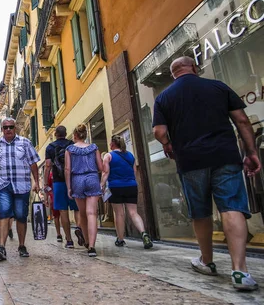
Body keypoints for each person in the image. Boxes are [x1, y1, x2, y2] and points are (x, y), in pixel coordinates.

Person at [153, 56, 260, 291]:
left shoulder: (164, 98)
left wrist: (169, 144)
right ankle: (240, 271)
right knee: (231, 207)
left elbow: (159, 131)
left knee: (200, 212)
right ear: (195, 67)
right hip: (225, 156)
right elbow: (242, 120)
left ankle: (207, 261)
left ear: (173, 74)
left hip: (190, 160)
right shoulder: (218, 87)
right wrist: (251, 152)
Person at [0, 118, 40, 260]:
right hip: (3, 185)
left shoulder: (25, 142)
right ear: (2, 129)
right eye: (5, 127)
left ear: (15, 128)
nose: (8, 129)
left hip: (22, 185)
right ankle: (1, 247)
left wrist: (37, 182)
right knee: (3, 213)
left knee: (21, 215)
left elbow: (33, 163)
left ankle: (21, 246)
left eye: (11, 127)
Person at [100, 135, 153, 249]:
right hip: (131, 186)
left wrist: (101, 185)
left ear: (113, 144)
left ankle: (120, 239)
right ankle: (144, 233)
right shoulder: (130, 156)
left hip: (116, 187)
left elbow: (105, 173)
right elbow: (134, 172)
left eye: (110, 143)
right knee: (133, 212)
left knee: (119, 214)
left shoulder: (108, 156)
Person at [65, 124, 103, 257]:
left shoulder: (69, 149)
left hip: (77, 180)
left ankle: (86, 241)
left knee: (82, 214)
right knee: (92, 213)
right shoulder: (94, 148)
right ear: (85, 135)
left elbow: (67, 169)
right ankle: (92, 246)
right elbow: (100, 166)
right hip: (92, 178)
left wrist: (69, 187)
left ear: (75, 136)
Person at [44, 126, 82, 248]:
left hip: (58, 181)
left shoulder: (50, 147)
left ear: (55, 134)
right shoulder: (72, 144)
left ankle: (69, 240)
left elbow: (48, 165)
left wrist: (45, 183)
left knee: (63, 211)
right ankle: (79, 228)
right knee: (77, 209)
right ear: (66, 134)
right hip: (73, 180)